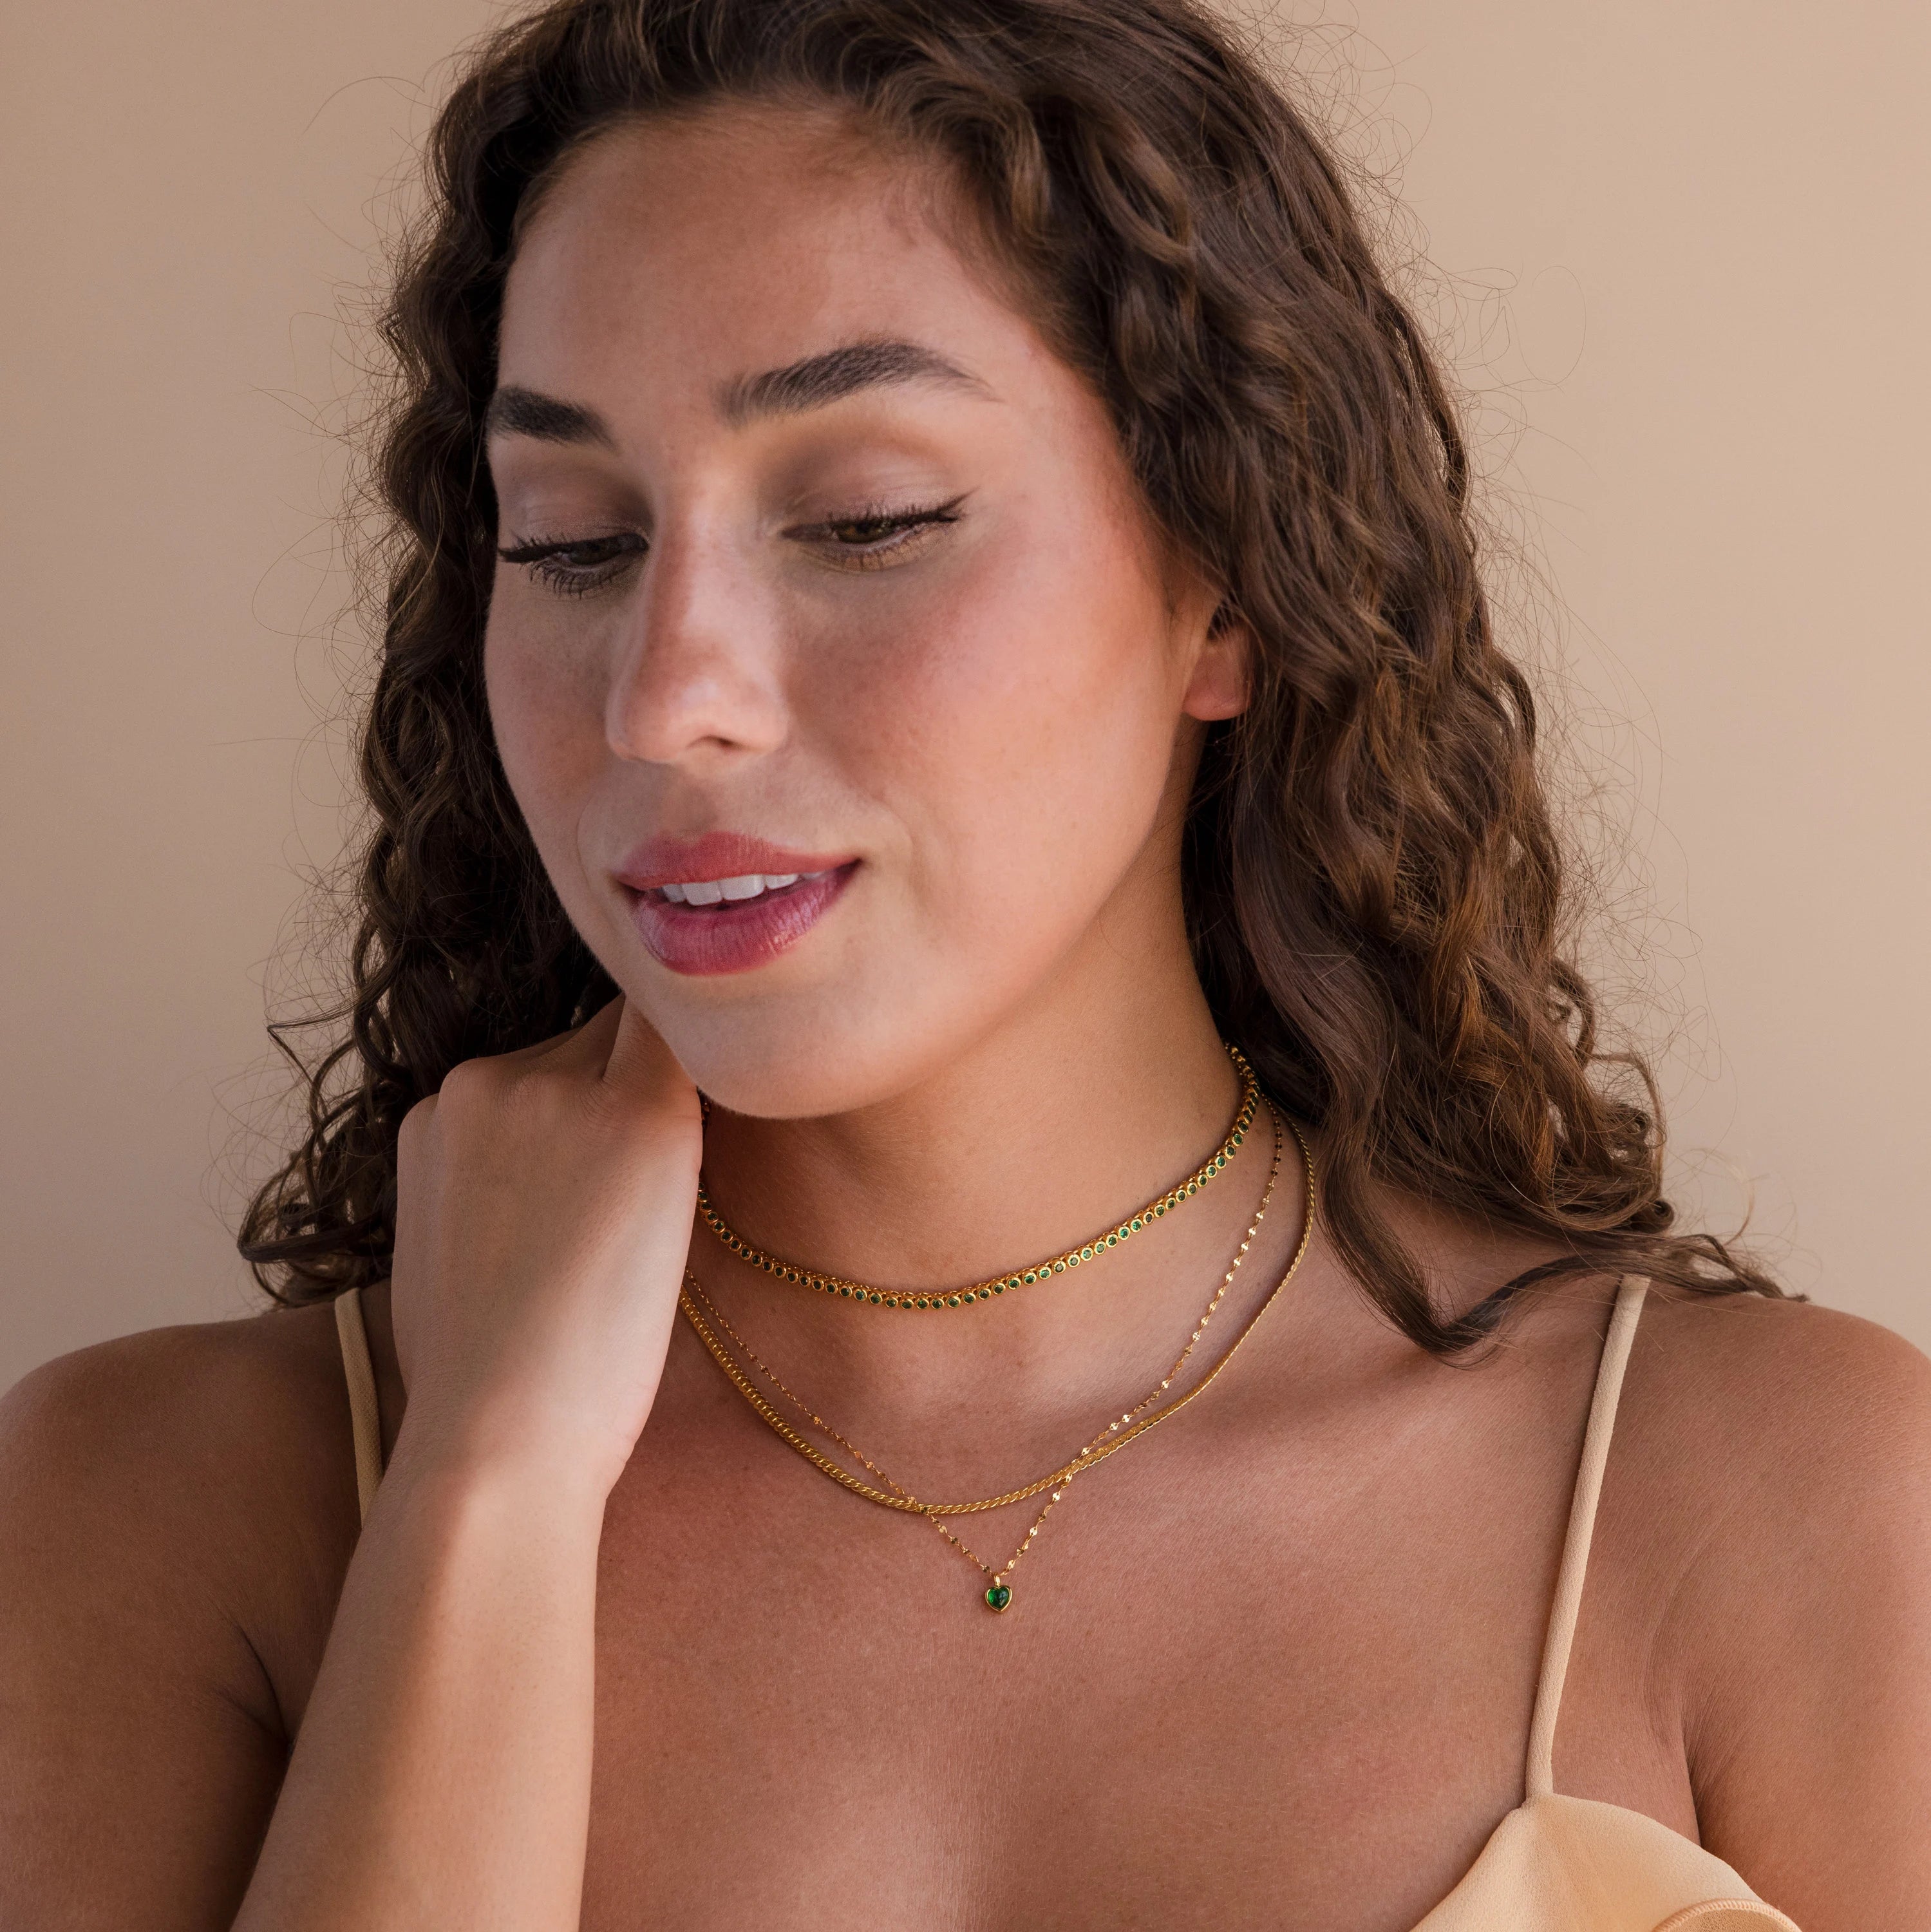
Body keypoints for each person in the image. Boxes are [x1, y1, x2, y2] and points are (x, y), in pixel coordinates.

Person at [2, 0, 1927, 1924]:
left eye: (869, 520)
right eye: (574, 541)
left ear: (1229, 589)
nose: (670, 698)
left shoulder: (1784, 1510)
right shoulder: (165, 1518)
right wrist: (482, 1498)